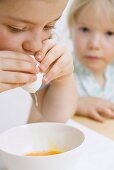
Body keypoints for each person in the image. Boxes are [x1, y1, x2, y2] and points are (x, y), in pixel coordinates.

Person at [0, 0, 77, 123]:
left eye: (49, 26)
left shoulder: (41, 48)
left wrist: (63, 80)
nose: (35, 46)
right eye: (17, 28)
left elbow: (55, 117)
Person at [67, 0, 114, 122]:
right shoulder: (60, 72)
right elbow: (35, 122)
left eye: (109, 33)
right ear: (71, 30)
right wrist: (75, 104)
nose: (94, 44)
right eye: (85, 29)